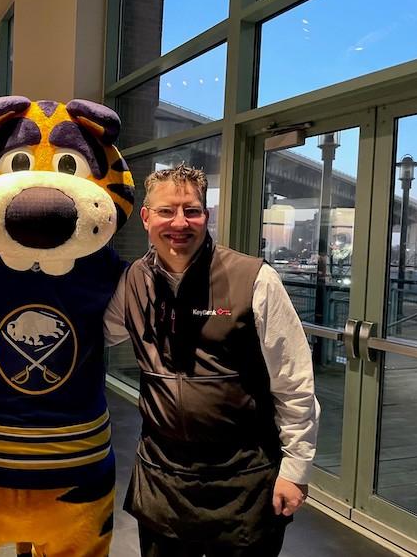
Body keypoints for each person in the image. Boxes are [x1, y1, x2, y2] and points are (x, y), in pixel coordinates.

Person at [104, 164, 320, 557]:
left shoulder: (254, 278)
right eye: (167, 211)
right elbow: (94, 335)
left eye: (192, 211)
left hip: (244, 478)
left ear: (207, 215)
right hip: (162, 477)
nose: (180, 223)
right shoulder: (132, 280)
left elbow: (294, 382)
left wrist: (296, 470)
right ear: (147, 216)